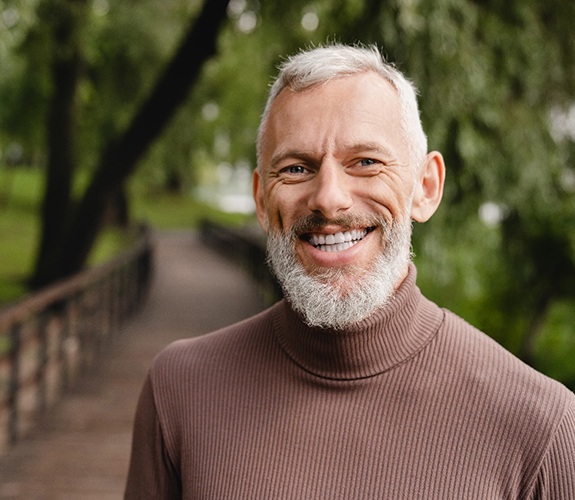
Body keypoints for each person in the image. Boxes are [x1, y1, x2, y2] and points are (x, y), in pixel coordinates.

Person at [125, 44, 575, 499]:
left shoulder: (540, 427)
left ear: (426, 186)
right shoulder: (180, 388)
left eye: (366, 162)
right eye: (296, 168)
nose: (329, 198)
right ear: (262, 201)